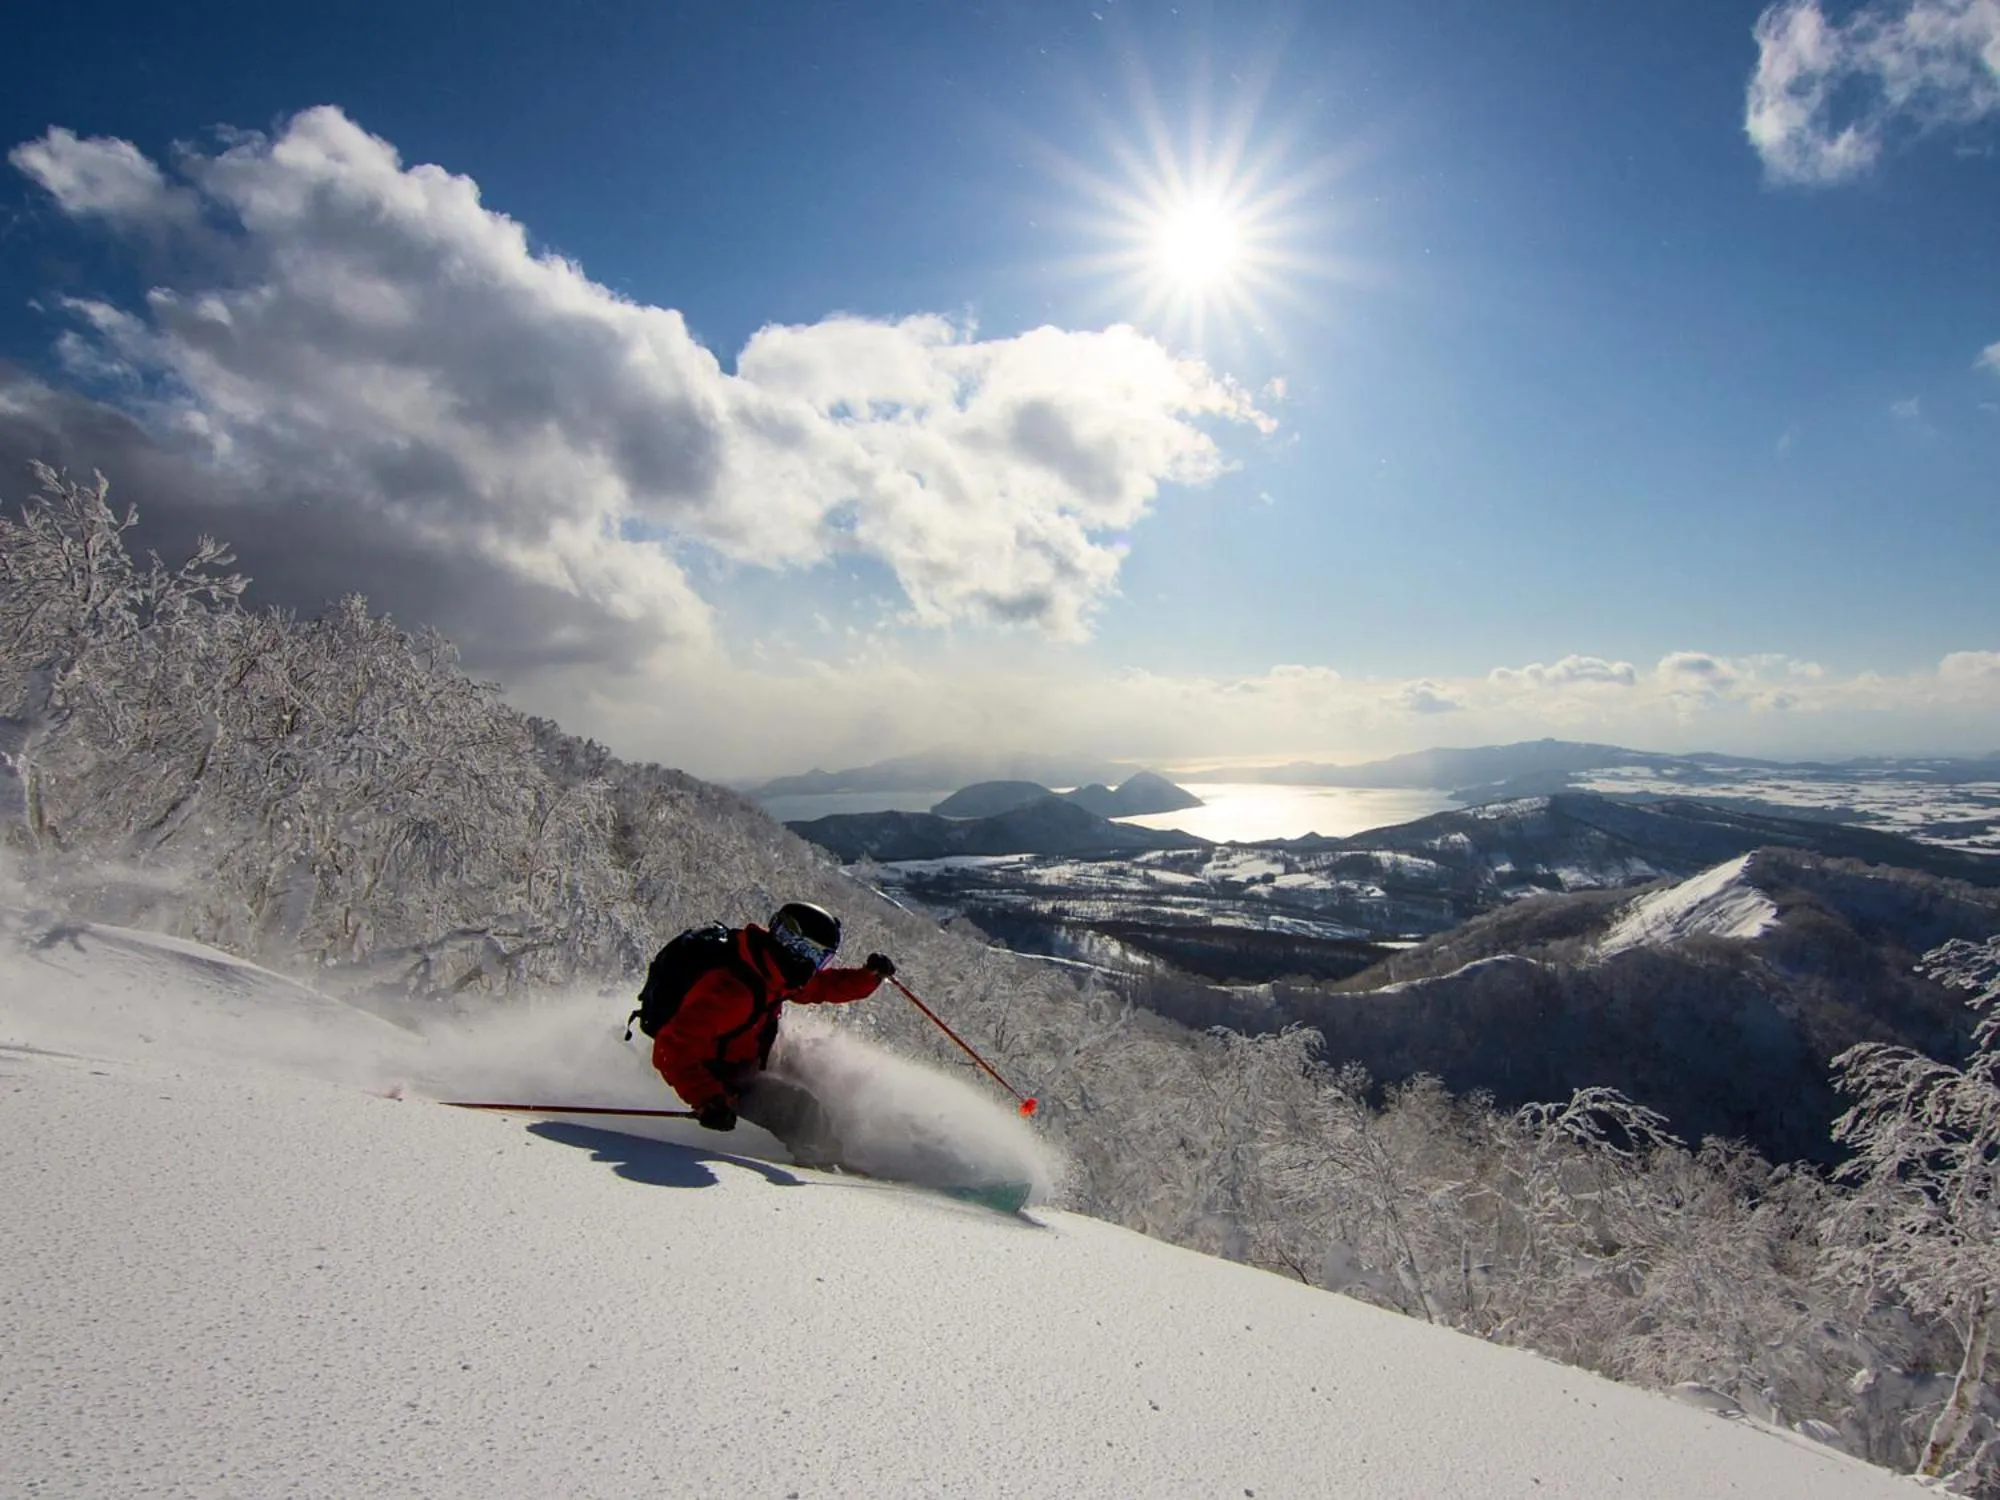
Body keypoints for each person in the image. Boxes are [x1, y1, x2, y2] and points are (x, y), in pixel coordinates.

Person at [649, 901, 894, 1167]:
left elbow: (823, 986)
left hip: (743, 1058)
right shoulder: (731, 991)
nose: (813, 965)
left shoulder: (769, 970)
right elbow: (672, 1046)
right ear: (791, 945)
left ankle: (826, 1153)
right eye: (810, 954)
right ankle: (824, 1165)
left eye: (821, 958)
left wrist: (868, 977)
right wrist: (708, 1098)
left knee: (814, 1075)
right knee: (801, 1108)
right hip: (715, 1076)